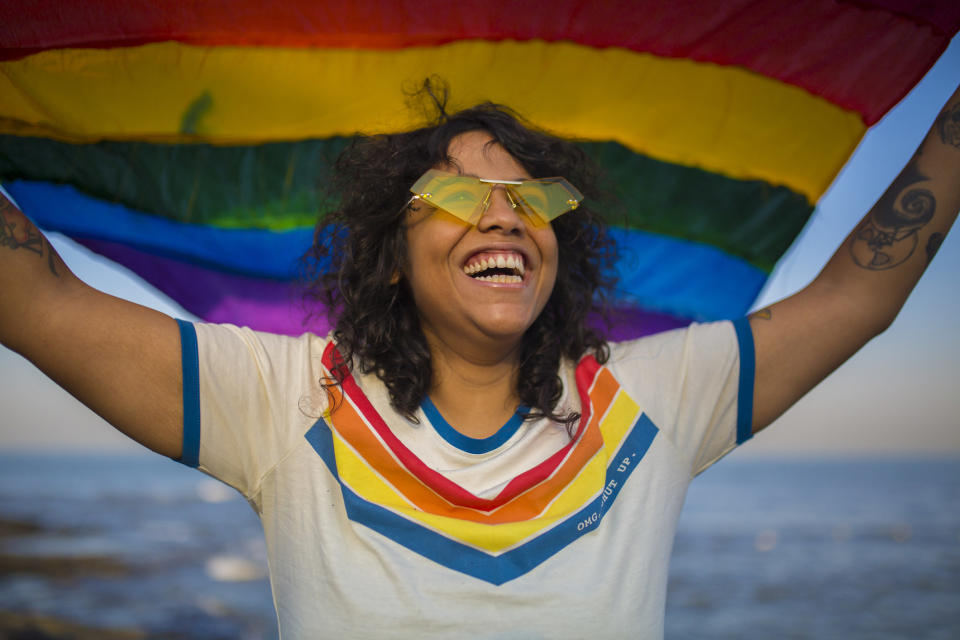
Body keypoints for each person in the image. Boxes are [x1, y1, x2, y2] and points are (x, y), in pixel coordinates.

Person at [1, 87, 958, 638]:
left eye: (530, 197)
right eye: (460, 191)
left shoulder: (654, 398)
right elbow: (37, 299)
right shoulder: (283, 400)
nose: (505, 213)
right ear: (387, 250)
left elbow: (856, 297)